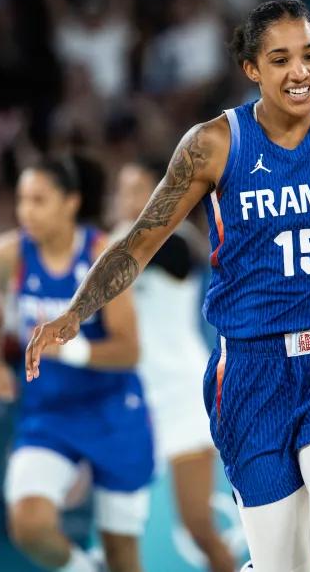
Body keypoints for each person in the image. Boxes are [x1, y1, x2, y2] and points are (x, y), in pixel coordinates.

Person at [26, 0, 310, 572]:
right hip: (250, 373)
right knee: (279, 565)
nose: (300, 72)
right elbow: (141, 240)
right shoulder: (215, 143)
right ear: (252, 68)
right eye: (282, 59)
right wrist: (75, 312)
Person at [0, 157, 153, 572]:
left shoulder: (102, 254)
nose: (26, 212)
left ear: (70, 203)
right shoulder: (8, 254)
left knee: (123, 556)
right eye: (22, 200)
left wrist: (67, 347)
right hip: (49, 415)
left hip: (112, 411)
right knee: (28, 525)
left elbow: (130, 351)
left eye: (39, 200)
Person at [113, 157, 235, 572]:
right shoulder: (110, 244)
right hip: (136, 403)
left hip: (183, 397)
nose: (131, 199)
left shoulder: (177, 240)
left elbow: (174, 257)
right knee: (116, 525)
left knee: (199, 524)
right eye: (125, 190)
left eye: (141, 189)